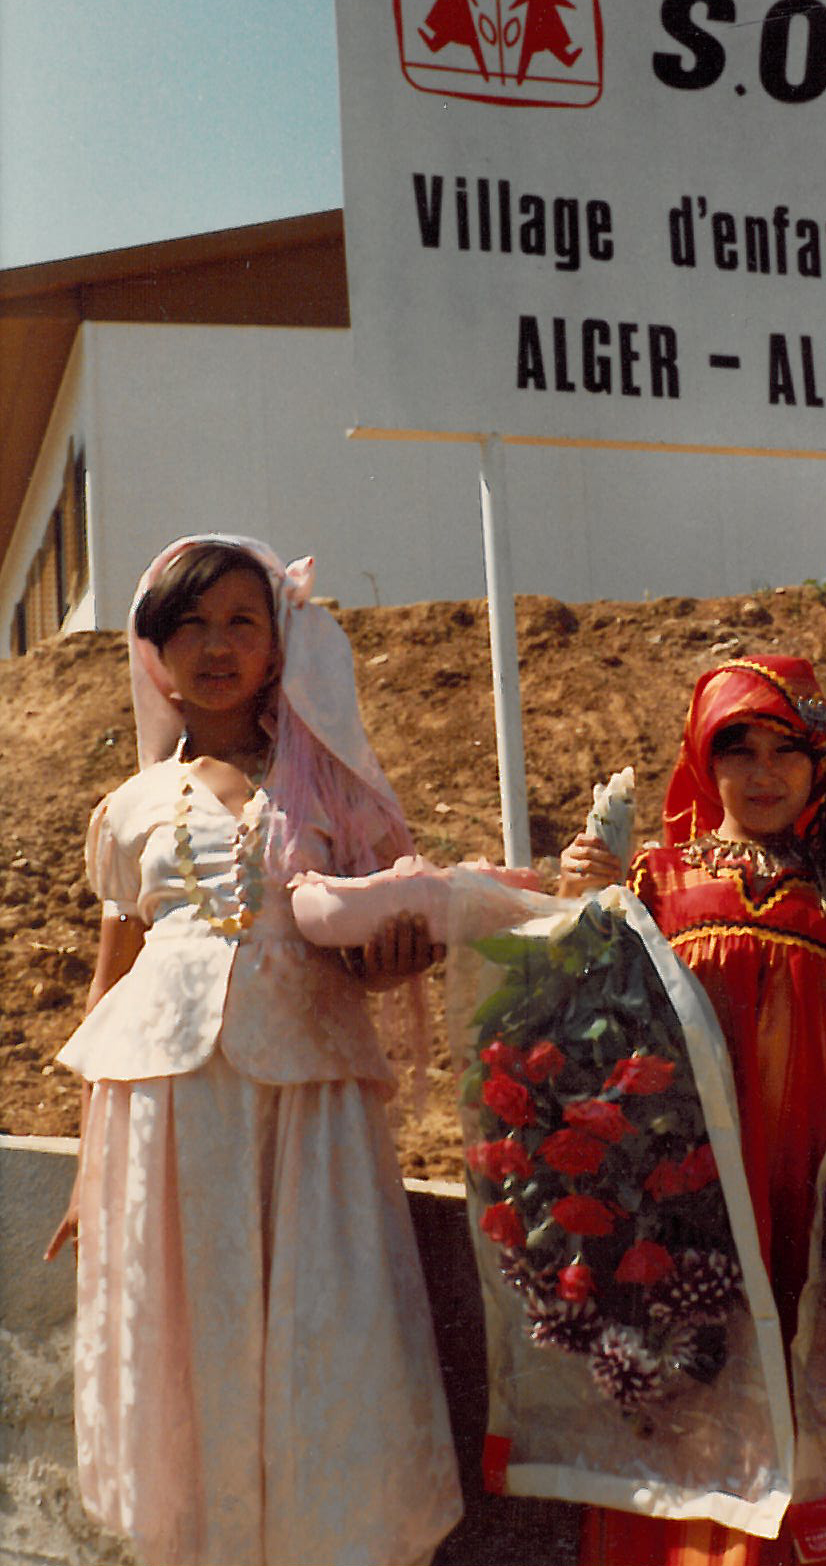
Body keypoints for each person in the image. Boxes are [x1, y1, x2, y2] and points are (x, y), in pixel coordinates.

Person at [45, 534, 462, 1566]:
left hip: (307, 1095)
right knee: (190, 1332)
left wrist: (395, 955)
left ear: (280, 646)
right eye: (190, 624)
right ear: (155, 651)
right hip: (166, 1109)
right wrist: (87, 1169)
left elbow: (366, 942)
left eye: (242, 621)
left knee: (323, 1321)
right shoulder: (130, 808)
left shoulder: (337, 788)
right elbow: (114, 981)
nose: (217, 645)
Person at [560, 654, 826, 1566]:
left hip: (812, 1176)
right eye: (739, 750)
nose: (764, 773)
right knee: (700, 1347)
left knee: (812, 1346)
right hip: (691, 1166)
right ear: (704, 761)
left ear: (822, 765)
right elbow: (591, 1006)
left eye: (787, 750)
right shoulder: (656, 874)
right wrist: (588, 898)